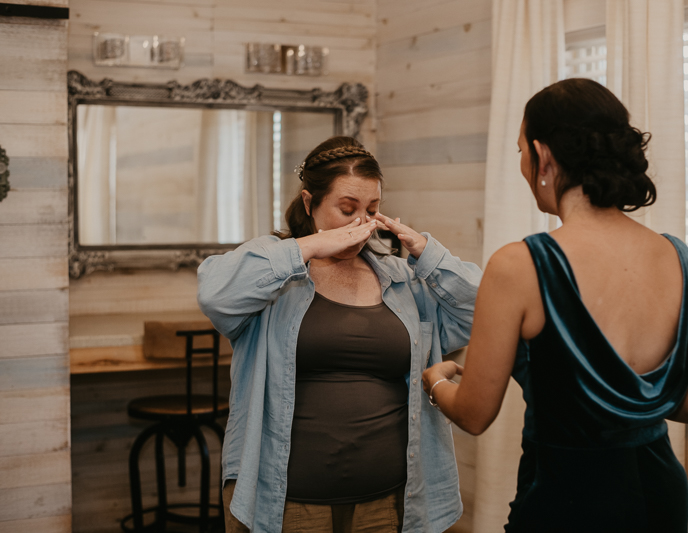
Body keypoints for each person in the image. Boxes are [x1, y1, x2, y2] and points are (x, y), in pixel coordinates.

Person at [422, 78, 688, 532]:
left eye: (521, 150)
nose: (522, 164)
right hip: (660, 493)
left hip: (568, 497)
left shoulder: (521, 265)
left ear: (543, 156)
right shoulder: (681, 260)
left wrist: (436, 382)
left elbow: (475, 415)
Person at [197, 136, 481, 533]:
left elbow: (480, 312)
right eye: (346, 209)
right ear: (310, 202)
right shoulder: (276, 276)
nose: (360, 223)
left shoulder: (400, 280)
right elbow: (214, 293)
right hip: (285, 499)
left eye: (372, 210)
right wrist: (310, 246)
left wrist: (427, 253)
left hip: (388, 500)